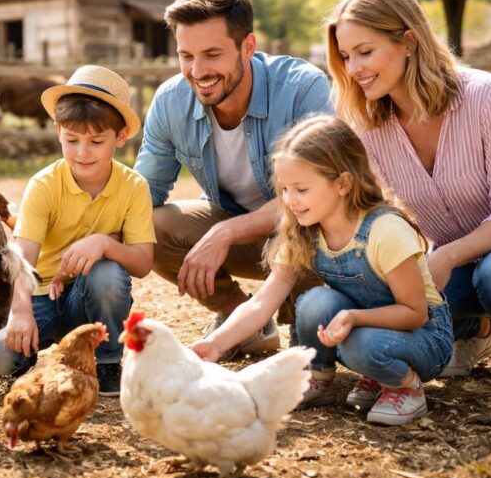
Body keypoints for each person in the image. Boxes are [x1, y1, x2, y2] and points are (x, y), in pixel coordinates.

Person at [326, 0, 491, 389]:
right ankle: (476, 332)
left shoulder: (484, 94)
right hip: (460, 256)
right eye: (346, 56)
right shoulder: (368, 126)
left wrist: (446, 257)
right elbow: (379, 214)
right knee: (404, 299)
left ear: (408, 41)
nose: (354, 68)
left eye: (365, 51)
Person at [192, 115, 453, 426]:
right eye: (284, 189)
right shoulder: (305, 231)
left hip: (424, 338)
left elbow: (415, 313)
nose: (290, 201)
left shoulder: (385, 232)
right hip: (364, 328)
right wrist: (216, 343)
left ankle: (405, 385)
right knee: (315, 302)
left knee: (359, 344)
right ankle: (320, 377)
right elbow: (262, 302)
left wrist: (355, 318)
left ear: (342, 184)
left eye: (301, 189)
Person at [134, 0, 332, 358]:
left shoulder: (302, 88)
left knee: (315, 231)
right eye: (186, 55)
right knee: (152, 225)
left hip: (307, 233)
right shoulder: (171, 101)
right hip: (245, 240)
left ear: (248, 47)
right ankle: (242, 319)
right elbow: (143, 194)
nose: (198, 71)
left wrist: (225, 232)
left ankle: (304, 313)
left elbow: (321, 193)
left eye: (212, 54)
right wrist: (84, 232)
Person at [0, 65, 155, 397]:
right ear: (58, 131)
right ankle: (28, 353)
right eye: (72, 140)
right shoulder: (44, 185)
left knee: (107, 274)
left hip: (88, 301)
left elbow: (143, 263)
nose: (82, 153)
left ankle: (106, 361)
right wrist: (20, 311)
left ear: (121, 136)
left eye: (96, 141)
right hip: (39, 295)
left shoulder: (134, 187)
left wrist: (103, 244)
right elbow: (22, 259)